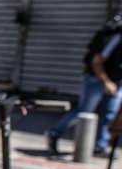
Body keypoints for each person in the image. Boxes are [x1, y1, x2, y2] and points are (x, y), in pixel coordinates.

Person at [47, 12, 122, 157]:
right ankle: (54, 134)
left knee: (109, 114)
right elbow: (96, 62)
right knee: (84, 112)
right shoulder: (117, 38)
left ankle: (100, 147)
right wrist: (106, 82)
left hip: (116, 81)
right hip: (96, 78)